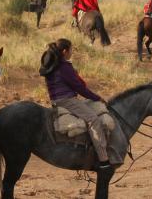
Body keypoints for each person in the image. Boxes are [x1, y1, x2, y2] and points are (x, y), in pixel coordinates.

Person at [39, 39, 114, 177]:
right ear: (65, 51)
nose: (72, 52)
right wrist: (97, 97)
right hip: (67, 100)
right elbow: (80, 88)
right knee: (93, 119)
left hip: (56, 99)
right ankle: (104, 160)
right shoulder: (64, 67)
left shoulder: (52, 63)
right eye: (71, 50)